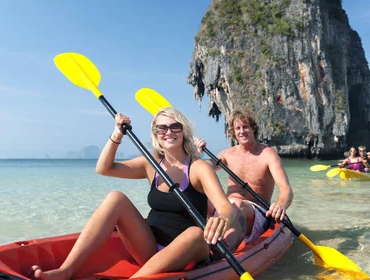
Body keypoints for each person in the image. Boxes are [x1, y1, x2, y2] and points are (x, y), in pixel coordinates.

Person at [30, 108, 239, 280]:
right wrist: (117, 134)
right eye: (162, 128)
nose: (169, 132)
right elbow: (104, 168)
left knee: (194, 232)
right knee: (115, 198)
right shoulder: (151, 165)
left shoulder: (198, 168)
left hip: (190, 252)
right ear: (156, 134)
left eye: (175, 126)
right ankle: (65, 271)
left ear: (183, 131)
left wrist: (222, 220)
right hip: (149, 248)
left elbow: (226, 207)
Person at [193, 108, 294, 250]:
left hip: (256, 212)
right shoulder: (228, 154)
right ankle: (197, 241)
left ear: (253, 128)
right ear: (233, 132)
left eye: (245, 126)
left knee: (238, 205)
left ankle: (221, 250)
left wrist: (281, 204)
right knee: (200, 197)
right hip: (227, 209)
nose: (241, 131)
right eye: (237, 128)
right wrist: (196, 154)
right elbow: (201, 169)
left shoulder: (268, 155)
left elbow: (286, 189)